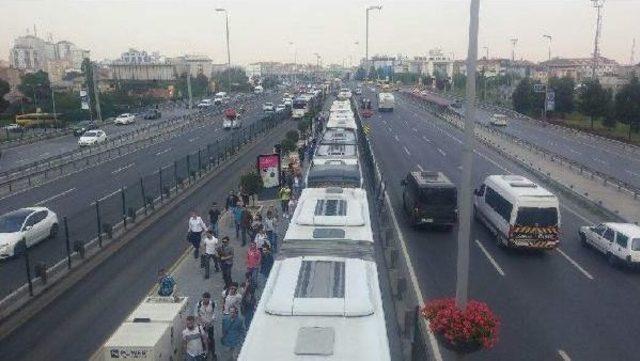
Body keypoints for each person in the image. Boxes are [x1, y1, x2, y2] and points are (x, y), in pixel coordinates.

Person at [194, 292, 217, 360]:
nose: (205, 300)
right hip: (201, 325)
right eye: (204, 299)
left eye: (206, 299)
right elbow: (196, 314)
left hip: (210, 325)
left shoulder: (213, 304)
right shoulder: (198, 304)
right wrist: (200, 321)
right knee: (202, 339)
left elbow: (215, 315)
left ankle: (213, 353)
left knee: (211, 338)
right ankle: (204, 352)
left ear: (209, 299)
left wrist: (209, 322)